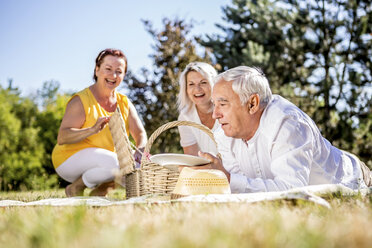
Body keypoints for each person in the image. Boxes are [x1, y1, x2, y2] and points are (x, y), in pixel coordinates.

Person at [196, 66, 371, 193]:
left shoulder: (288, 123)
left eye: (223, 104)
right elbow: (242, 188)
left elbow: (292, 192)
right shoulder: (224, 132)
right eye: (214, 105)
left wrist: (228, 179)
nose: (215, 115)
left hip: (354, 180)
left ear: (252, 104)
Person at [52, 48, 147, 197]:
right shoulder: (81, 101)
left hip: (106, 163)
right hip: (68, 160)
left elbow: (140, 133)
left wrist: (140, 151)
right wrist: (92, 129)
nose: (113, 75)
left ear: (123, 75)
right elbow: (62, 137)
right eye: (108, 69)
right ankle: (75, 187)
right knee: (119, 164)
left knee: (140, 165)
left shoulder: (124, 102)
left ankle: (100, 192)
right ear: (97, 70)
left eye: (119, 71)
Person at [177, 62, 219, 156]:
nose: (197, 89)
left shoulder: (227, 109)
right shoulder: (185, 117)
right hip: (207, 169)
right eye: (191, 84)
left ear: (214, 84)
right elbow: (192, 158)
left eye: (203, 82)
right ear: (186, 89)